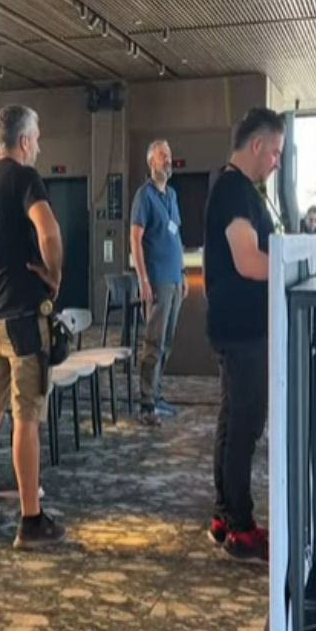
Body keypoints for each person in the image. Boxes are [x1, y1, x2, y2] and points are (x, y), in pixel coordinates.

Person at [0, 103, 65, 549]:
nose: (38, 145)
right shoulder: (25, 179)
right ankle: (30, 518)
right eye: (36, 138)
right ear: (23, 141)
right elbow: (49, 230)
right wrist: (54, 275)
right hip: (23, 319)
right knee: (26, 418)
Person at [203, 107, 285, 563]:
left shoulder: (232, 187)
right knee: (245, 426)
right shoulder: (235, 190)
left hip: (235, 326)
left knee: (233, 420)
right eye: (274, 152)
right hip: (242, 329)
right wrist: (291, 265)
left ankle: (225, 515)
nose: (276, 162)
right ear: (257, 145)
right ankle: (239, 524)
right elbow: (249, 262)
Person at [130, 139, 186, 426]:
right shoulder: (144, 196)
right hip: (157, 280)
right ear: (151, 161)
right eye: (163, 155)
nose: (168, 160)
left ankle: (157, 393)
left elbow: (176, 236)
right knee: (154, 341)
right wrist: (143, 280)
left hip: (174, 280)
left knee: (167, 341)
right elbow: (135, 239)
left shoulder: (172, 195)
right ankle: (146, 403)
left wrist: (183, 273)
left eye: (170, 155)